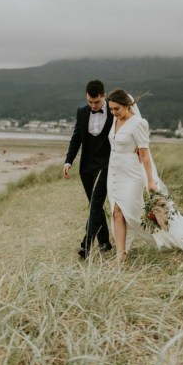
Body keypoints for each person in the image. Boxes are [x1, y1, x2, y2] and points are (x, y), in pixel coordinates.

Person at [106, 88, 183, 264]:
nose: (113, 112)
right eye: (111, 109)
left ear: (127, 105)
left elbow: (145, 155)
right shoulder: (115, 121)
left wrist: (151, 180)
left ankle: (179, 243)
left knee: (134, 216)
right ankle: (121, 254)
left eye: (116, 109)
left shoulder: (138, 123)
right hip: (113, 174)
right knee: (116, 212)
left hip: (132, 175)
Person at [63, 79, 114, 259]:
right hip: (86, 167)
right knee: (95, 205)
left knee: (96, 203)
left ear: (104, 96)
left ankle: (87, 244)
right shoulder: (82, 112)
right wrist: (68, 161)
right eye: (89, 102)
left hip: (106, 164)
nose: (93, 106)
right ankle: (105, 243)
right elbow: (76, 138)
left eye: (97, 102)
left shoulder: (114, 112)